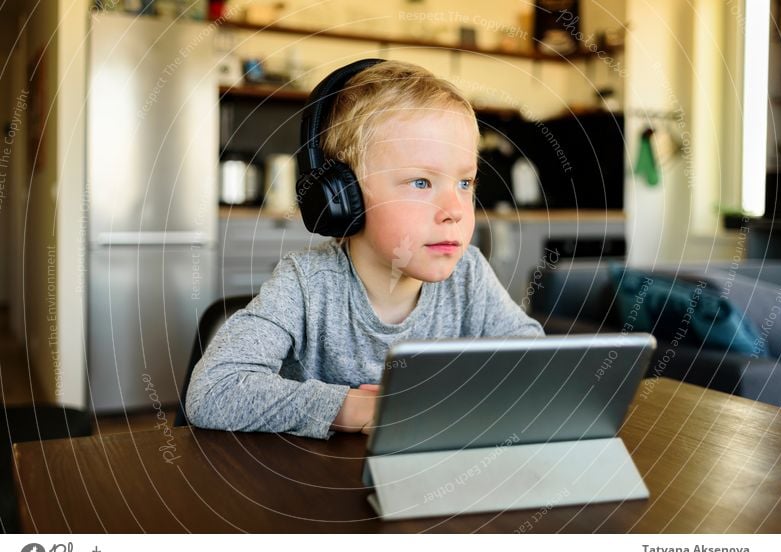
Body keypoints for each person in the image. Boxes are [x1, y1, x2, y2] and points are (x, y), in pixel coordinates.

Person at [186, 60, 544, 438]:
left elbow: (535, 364)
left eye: (465, 183)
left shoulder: (468, 273)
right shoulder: (305, 285)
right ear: (343, 196)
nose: (455, 211)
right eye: (421, 182)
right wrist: (346, 406)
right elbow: (213, 390)